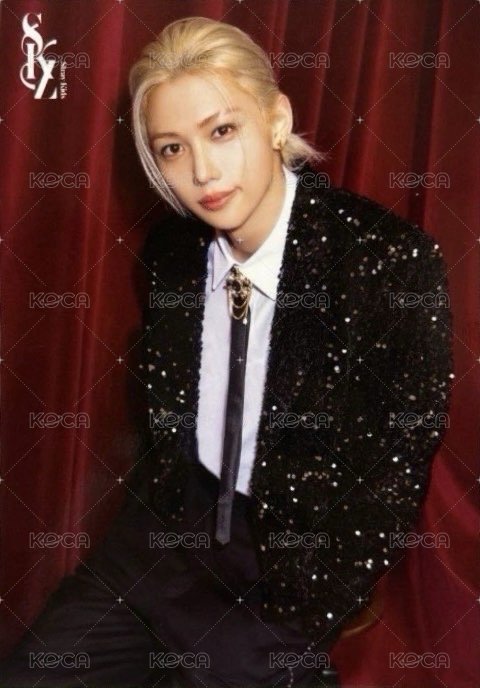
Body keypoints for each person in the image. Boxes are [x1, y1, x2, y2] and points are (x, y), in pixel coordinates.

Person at [0, 16, 453, 688]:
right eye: (172, 148)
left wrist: (301, 613)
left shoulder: (385, 263)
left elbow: (392, 477)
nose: (203, 173)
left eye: (221, 131)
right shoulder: (173, 252)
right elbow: (166, 423)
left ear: (276, 120)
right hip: (160, 539)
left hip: (283, 573)